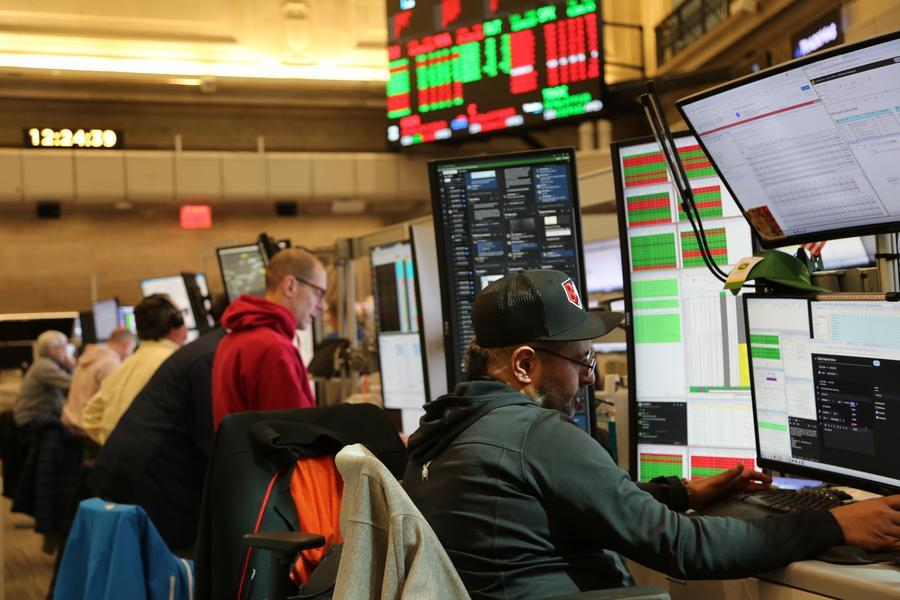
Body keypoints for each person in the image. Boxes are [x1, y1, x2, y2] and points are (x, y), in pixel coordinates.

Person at [402, 269, 900, 600]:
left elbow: (542, 503)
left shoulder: (447, 429)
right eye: (581, 360)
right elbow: (684, 549)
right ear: (526, 364)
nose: (590, 377)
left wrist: (677, 492)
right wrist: (835, 524)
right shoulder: (535, 433)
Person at [89, 297, 229, 552]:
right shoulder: (181, 360)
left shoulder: (129, 361)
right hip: (151, 481)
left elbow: (90, 415)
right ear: (175, 322)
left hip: (117, 471)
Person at [212, 247, 326, 427]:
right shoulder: (273, 348)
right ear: (290, 286)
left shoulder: (233, 339)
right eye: (318, 293)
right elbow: (296, 434)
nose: (322, 306)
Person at [82, 294, 188, 445]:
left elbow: (90, 416)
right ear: (175, 322)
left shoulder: (124, 365)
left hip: (117, 461)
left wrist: (114, 446)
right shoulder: (175, 363)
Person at [62, 327, 135, 435]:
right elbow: (113, 401)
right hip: (88, 429)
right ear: (128, 345)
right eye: (131, 351)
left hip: (70, 423)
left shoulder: (88, 357)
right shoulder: (110, 363)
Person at [13, 330, 75, 428]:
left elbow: (67, 391)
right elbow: (74, 384)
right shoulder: (45, 366)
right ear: (52, 350)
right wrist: (71, 367)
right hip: (33, 419)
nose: (66, 352)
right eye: (63, 347)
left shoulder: (46, 364)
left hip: (39, 417)